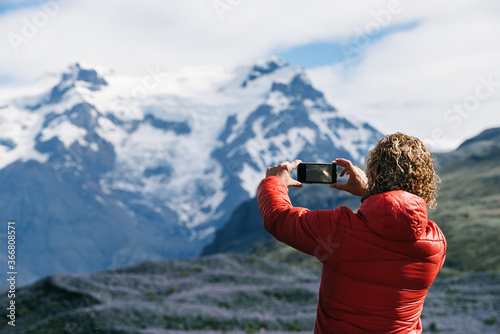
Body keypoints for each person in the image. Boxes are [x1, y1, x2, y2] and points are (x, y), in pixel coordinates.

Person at [257, 133, 446, 334]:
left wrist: (274, 182)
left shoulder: (341, 230)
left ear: (374, 173)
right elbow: (396, 219)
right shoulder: (436, 243)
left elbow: (278, 219)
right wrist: (369, 192)